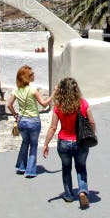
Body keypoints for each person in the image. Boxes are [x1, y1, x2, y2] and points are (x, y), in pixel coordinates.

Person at [42, 77, 96, 208]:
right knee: (81, 167)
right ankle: (82, 191)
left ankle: (69, 195)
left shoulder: (58, 106)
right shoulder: (83, 104)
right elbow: (92, 123)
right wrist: (91, 134)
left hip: (64, 143)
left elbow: (53, 127)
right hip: (80, 142)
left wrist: (46, 144)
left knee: (66, 168)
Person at [7, 65, 53, 178]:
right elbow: (44, 104)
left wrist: (15, 115)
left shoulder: (16, 90)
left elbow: (9, 104)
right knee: (33, 145)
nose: (34, 75)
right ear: (27, 77)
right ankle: (30, 170)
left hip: (22, 121)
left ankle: (21, 166)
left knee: (24, 142)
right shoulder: (33, 90)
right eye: (31, 74)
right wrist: (54, 94)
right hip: (33, 121)